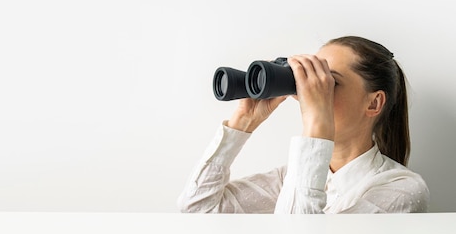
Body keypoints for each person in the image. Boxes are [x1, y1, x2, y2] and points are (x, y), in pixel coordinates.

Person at [177, 36, 429, 213]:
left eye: (329, 83)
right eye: (310, 81)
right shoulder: (289, 177)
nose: (312, 94)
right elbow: (198, 208)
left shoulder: (403, 188)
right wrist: (244, 120)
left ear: (374, 103)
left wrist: (317, 125)